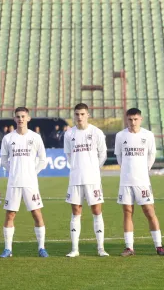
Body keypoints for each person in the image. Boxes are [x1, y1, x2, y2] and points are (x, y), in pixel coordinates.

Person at [114, 108, 164, 256]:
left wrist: (144, 170)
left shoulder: (148, 135)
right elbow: (119, 156)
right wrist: (126, 169)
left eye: (135, 119)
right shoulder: (120, 136)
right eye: (130, 119)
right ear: (126, 120)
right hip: (126, 181)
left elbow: (152, 155)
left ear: (141, 119)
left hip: (142, 181)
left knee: (149, 211)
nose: (133, 122)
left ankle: (159, 246)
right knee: (127, 212)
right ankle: (129, 247)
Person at [0, 107, 49, 258]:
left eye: (23, 116)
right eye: (18, 117)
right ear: (14, 119)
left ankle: (41, 247)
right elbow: (3, 160)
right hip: (14, 183)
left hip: (30, 183)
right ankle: (8, 249)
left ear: (28, 118)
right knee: (10, 215)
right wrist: (14, 171)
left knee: (36, 214)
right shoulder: (8, 138)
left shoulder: (35, 137)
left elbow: (43, 159)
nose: (20, 119)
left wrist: (32, 172)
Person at [64, 103, 108, 257]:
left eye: (82, 114)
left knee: (96, 211)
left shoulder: (96, 132)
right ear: (74, 115)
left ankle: (101, 248)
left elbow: (103, 155)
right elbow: (69, 155)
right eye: (77, 114)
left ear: (88, 115)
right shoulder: (69, 134)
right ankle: (75, 249)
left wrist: (94, 168)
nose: (79, 117)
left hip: (93, 179)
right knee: (76, 212)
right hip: (75, 178)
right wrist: (77, 167)